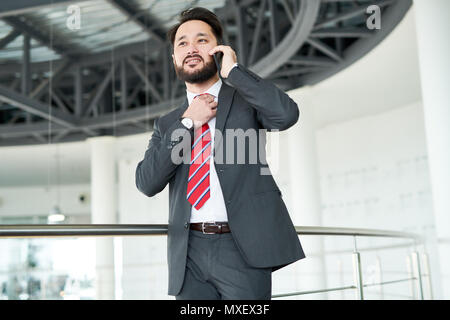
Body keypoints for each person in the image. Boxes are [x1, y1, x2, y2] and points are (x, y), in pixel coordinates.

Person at [136, 7, 305, 300]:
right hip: (188, 254)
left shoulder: (245, 101)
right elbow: (147, 182)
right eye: (182, 43)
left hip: (243, 248)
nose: (191, 48)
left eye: (201, 40)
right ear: (174, 58)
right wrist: (188, 122)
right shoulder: (167, 123)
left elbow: (286, 115)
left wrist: (235, 73)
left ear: (218, 50)